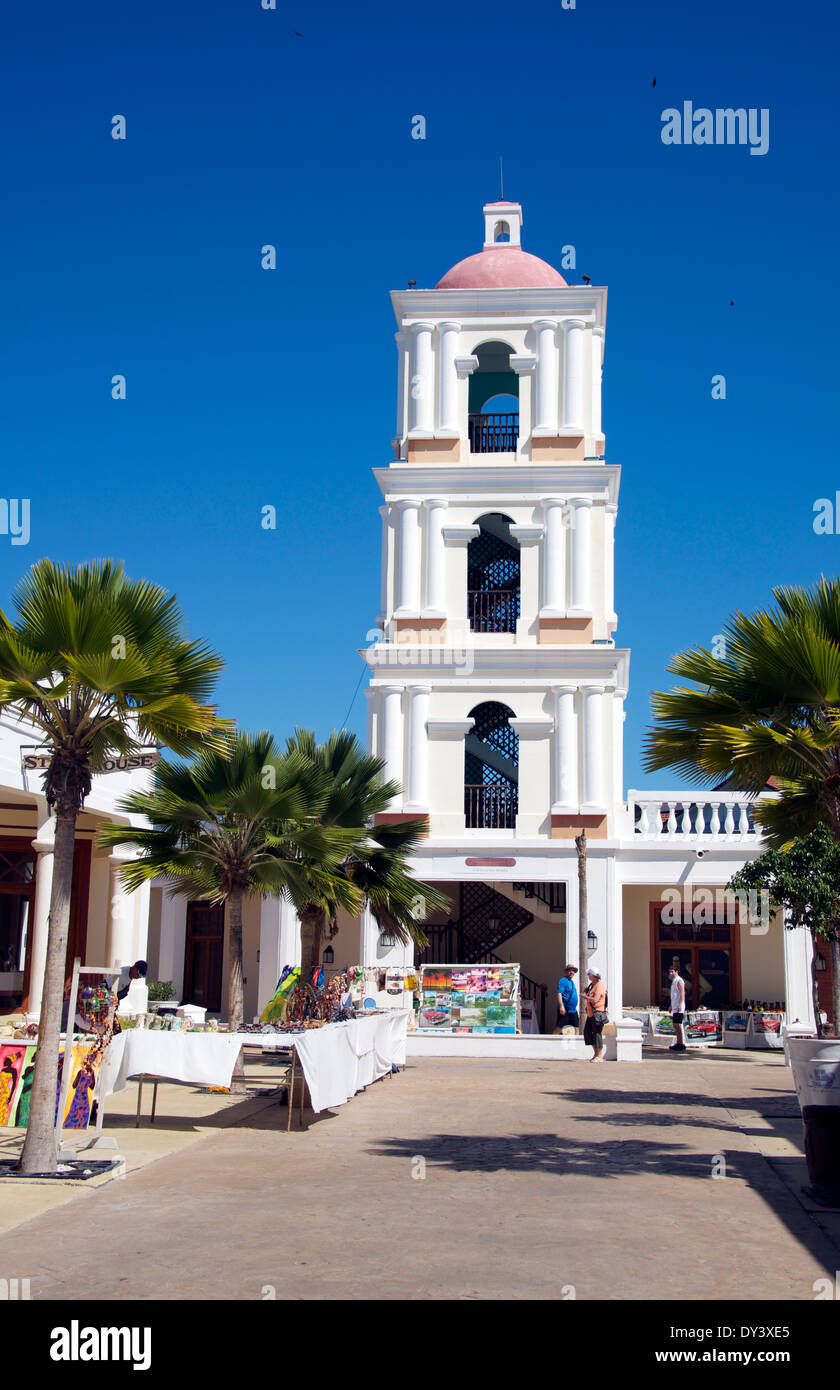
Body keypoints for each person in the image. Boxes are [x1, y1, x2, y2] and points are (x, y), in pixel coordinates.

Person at [582, 968, 607, 1062]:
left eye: (589, 974)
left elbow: (595, 999)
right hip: (591, 1014)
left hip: (598, 1013)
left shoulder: (599, 986)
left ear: (593, 975)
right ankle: (595, 1053)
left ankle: (599, 1056)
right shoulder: (592, 985)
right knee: (587, 1032)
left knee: (597, 1033)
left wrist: (585, 996)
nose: (588, 976)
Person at [554, 964, 579, 1033]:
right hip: (565, 1009)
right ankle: (553, 1039)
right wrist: (562, 1006)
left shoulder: (571, 982)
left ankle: (577, 1043)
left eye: (573, 970)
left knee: (576, 1027)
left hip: (573, 1010)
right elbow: (559, 993)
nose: (571, 972)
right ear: (566, 972)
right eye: (569, 970)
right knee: (559, 1028)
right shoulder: (563, 980)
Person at [668, 965, 687, 1052]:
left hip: (679, 1007)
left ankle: (680, 1043)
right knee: (675, 1024)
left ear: (676, 972)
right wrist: (671, 1005)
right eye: (670, 971)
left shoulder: (679, 980)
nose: (671, 973)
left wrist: (680, 1004)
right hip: (675, 1006)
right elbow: (674, 995)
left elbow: (682, 992)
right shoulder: (674, 981)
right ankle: (678, 1042)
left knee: (677, 1024)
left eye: (672, 971)